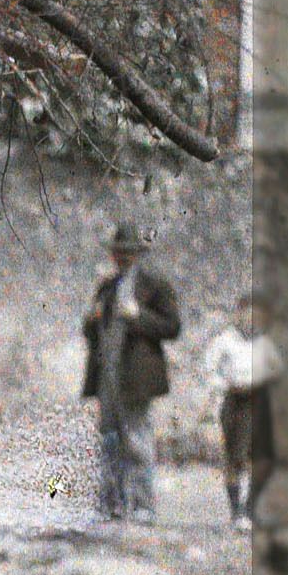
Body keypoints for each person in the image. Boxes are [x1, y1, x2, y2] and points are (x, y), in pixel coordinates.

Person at [81, 221, 182, 523]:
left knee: (137, 441)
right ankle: (111, 504)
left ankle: (142, 506)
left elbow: (172, 327)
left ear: (138, 253)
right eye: (118, 252)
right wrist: (91, 321)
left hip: (135, 378)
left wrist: (139, 316)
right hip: (107, 376)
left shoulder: (154, 285)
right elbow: (90, 330)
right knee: (109, 441)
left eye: (128, 252)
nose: (122, 257)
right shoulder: (107, 287)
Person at [205, 294, 283, 529]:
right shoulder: (224, 341)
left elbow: (278, 370)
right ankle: (236, 511)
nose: (251, 320)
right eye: (247, 314)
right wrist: (227, 384)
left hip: (260, 401)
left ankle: (251, 509)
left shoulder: (266, 343)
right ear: (238, 314)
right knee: (235, 458)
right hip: (235, 402)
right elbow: (209, 371)